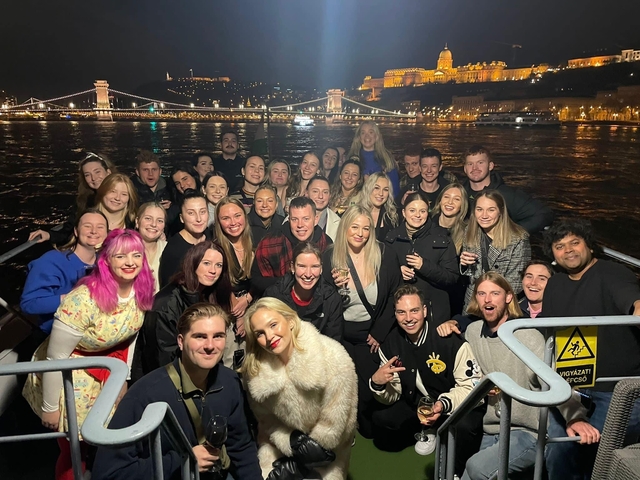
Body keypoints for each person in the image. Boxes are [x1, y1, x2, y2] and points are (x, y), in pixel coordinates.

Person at [22, 229, 154, 480]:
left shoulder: (142, 291)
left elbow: (130, 339)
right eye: (120, 256)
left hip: (107, 369)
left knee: (109, 444)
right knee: (74, 450)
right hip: (68, 374)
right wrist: (51, 408)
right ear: (106, 260)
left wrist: (122, 378)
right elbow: (55, 358)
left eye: (136, 255)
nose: (129, 262)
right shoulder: (83, 299)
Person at [93, 303, 262, 480]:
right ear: (181, 341)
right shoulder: (146, 394)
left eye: (218, 336)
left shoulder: (229, 382)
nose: (210, 345)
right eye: (200, 336)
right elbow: (108, 473)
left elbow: (241, 449)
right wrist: (183, 459)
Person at [460, 272, 599, 480]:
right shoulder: (472, 332)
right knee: (470, 475)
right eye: (481, 293)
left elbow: (553, 380)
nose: (487, 299)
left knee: (477, 467)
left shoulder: (527, 336)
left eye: (494, 293)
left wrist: (575, 417)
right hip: (492, 427)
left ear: (508, 297)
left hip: (528, 432)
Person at [541, 219, 640, 480]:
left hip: (616, 391)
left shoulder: (612, 273)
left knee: (606, 462)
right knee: (559, 458)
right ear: (553, 254)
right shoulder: (555, 285)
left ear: (590, 246)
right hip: (570, 387)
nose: (568, 250)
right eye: (560, 246)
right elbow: (547, 334)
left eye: (575, 242)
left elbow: (632, 300)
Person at [370, 285, 483, 475]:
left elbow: (471, 388)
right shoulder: (391, 344)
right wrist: (377, 383)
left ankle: (455, 464)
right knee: (381, 420)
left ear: (424, 310)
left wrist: (443, 404)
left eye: (414, 310)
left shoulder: (449, 340)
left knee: (468, 425)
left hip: (452, 405)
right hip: (420, 404)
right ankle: (429, 429)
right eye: (401, 312)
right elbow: (393, 395)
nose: (408, 318)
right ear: (395, 314)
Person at [242, 298, 358, 480]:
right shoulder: (255, 370)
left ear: (290, 321)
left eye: (273, 325)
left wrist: (296, 466)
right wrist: (290, 441)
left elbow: (334, 431)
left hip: (328, 451)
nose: (269, 336)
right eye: (260, 333)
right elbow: (265, 420)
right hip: (279, 443)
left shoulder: (334, 358)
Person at [322, 206, 401, 436]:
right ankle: (343, 426)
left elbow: (396, 294)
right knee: (342, 386)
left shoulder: (385, 254)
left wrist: (379, 330)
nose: (360, 233)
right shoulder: (329, 256)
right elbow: (321, 301)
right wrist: (332, 288)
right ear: (345, 228)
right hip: (341, 334)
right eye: (354, 227)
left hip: (371, 335)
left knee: (368, 405)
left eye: (366, 228)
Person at [136, 241, 232, 378]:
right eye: (206, 263)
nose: (213, 270)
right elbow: (162, 361)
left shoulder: (209, 295)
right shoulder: (166, 304)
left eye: (219, 265)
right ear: (193, 263)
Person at [21, 209, 109, 335]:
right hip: (57, 333)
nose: (94, 231)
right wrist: (73, 299)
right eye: (87, 226)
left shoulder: (104, 262)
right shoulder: (52, 261)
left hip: (94, 331)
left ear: (106, 233)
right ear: (76, 231)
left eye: (100, 227)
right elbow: (28, 304)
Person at [384, 191, 459, 324]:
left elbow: (452, 278)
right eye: (412, 210)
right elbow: (381, 276)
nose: (417, 215)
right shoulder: (391, 238)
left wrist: (424, 266)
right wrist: (397, 271)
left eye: (422, 211)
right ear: (404, 213)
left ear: (427, 213)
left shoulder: (441, 238)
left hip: (433, 315)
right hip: (401, 316)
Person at [460, 190, 530, 313]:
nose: (484, 215)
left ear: (501, 212)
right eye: (479, 209)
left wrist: (490, 298)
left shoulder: (518, 238)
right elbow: (471, 277)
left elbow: (516, 282)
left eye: (491, 210)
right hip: (474, 301)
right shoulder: (470, 232)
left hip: (503, 305)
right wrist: (464, 265)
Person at [29, 151, 116, 245]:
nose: (93, 178)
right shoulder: (84, 201)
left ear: (108, 172)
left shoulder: (125, 196)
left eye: (97, 172)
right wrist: (49, 235)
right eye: (87, 175)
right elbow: (69, 230)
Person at [461, 145, 554, 234]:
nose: (475, 168)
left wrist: (511, 233)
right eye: (470, 164)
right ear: (465, 169)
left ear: (490, 166)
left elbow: (544, 214)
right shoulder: (458, 194)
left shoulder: (507, 195)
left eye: (480, 163)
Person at [251, 196, 332, 296]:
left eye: (306, 219)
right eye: (294, 219)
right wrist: (289, 282)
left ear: (315, 220)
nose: (300, 225)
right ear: (289, 220)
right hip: (278, 301)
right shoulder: (271, 242)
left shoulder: (326, 243)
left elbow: (329, 282)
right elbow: (256, 280)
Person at [264, 242, 344, 341]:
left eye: (314, 266)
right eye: (302, 266)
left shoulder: (331, 299)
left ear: (321, 268)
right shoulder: (274, 295)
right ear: (293, 267)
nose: (308, 274)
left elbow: (333, 343)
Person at [213, 197, 255, 320]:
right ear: (219, 222)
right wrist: (239, 315)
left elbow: (263, 280)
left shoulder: (256, 242)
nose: (233, 222)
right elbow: (221, 284)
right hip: (227, 310)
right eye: (225, 218)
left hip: (255, 305)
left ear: (245, 216)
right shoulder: (216, 249)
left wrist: (247, 300)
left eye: (237, 216)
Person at [158, 190, 210, 288]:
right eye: (191, 213)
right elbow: (168, 292)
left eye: (202, 212)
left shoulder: (212, 237)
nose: (198, 218)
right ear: (182, 218)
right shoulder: (174, 249)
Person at [347, 121, 400, 194]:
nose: (367, 136)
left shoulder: (387, 159)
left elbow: (394, 190)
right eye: (363, 133)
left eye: (371, 132)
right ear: (359, 137)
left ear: (377, 136)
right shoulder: (352, 159)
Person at [135, 202, 167, 293]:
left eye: (160, 220)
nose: (154, 224)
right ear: (137, 222)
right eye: (148, 218)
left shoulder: (168, 249)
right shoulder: (125, 248)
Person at [358, 172, 398, 242]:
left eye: (385, 189)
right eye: (376, 188)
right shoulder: (357, 213)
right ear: (368, 189)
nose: (381, 193)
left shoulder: (392, 216)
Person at [432, 183, 469, 254]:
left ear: (462, 205)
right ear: (440, 201)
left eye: (456, 199)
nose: (450, 202)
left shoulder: (467, 231)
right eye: (446, 197)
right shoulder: (427, 224)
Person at [306, 175, 341, 241]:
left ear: (330, 195)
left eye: (325, 192)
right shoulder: (292, 218)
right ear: (306, 193)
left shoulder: (338, 223)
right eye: (315, 191)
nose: (320, 196)